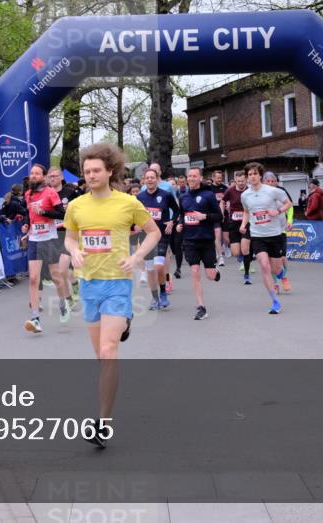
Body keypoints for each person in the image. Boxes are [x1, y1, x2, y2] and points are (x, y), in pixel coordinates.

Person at [63, 142, 160, 448]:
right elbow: (69, 238)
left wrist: (136, 257)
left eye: (95, 170)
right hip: (88, 284)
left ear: (109, 171)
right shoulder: (76, 206)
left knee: (108, 352)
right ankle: (124, 323)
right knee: (100, 358)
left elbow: (154, 232)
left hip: (117, 282)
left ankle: (102, 422)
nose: (90, 175)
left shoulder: (127, 203)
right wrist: (75, 250)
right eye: (86, 171)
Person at [21, 164, 70, 333]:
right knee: (34, 278)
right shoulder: (28, 194)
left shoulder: (50, 192)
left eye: (37, 173)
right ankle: (35, 318)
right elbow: (29, 213)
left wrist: (43, 212)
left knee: (56, 277)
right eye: (32, 173)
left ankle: (63, 303)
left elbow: (62, 214)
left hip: (49, 239)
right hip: (34, 240)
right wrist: (27, 224)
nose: (33, 176)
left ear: (43, 176)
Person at [241, 162, 291, 314]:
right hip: (257, 236)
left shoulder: (272, 191)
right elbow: (246, 212)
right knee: (264, 265)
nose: (252, 176)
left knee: (276, 268)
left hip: (274, 234)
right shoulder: (245, 195)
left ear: (260, 175)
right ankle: (275, 301)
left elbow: (289, 203)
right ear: (247, 177)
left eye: (255, 173)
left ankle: (281, 274)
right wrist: (243, 224)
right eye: (249, 174)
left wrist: (279, 211)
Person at [176, 167, 222, 320]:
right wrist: (180, 224)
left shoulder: (208, 195)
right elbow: (182, 215)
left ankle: (215, 273)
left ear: (200, 178)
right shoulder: (183, 197)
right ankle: (201, 307)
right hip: (189, 241)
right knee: (195, 272)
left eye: (194, 176)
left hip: (207, 240)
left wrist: (205, 216)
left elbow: (219, 216)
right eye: (189, 176)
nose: (191, 179)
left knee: (209, 275)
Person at [137, 168, 180, 310]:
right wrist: (135, 226)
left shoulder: (166, 195)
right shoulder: (140, 197)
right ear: (144, 180)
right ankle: (155, 298)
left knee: (159, 266)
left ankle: (163, 293)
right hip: (146, 236)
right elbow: (134, 215)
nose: (150, 180)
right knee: (150, 269)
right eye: (147, 177)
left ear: (157, 179)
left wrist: (172, 221)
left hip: (161, 234)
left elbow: (177, 210)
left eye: (152, 177)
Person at [47, 166, 81, 312]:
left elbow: (80, 210)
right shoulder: (46, 194)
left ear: (61, 177)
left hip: (68, 235)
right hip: (51, 234)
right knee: (59, 272)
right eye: (50, 176)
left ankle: (69, 295)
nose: (52, 178)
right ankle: (70, 293)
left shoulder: (70, 192)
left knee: (62, 269)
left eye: (55, 176)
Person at [263, 171, 294, 293]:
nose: (271, 183)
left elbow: (290, 207)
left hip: (281, 230)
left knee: (282, 259)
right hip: (267, 231)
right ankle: (275, 283)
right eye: (268, 181)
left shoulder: (281, 192)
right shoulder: (260, 194)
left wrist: (290, 221)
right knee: (271, 261)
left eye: (273, 181)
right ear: (264, 182)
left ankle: (284, 277)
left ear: (276, 182)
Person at [223, 170, 254, 284]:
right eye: (238, 181)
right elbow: (223, 200)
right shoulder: (230, 190)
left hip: (247, 222)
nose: (241, 183)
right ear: (235, 180)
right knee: (236, 252)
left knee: (245, 249)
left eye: (242, 181)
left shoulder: (250, 190)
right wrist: (222, 211)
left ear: (246, 180)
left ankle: (246, 275)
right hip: (234, 222)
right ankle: (244, 259)